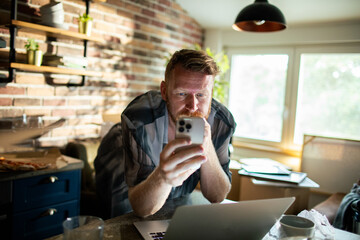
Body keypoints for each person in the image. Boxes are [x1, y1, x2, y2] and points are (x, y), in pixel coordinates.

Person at [121, 49, 236, 217]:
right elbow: (142, 209)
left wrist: (207, 145)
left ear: (211, 94)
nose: (193, 106)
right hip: (123, 162)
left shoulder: (222, 123)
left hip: (181, 198)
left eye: (201, 95)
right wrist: (162, 176)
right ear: (164, 91)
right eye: (182, 94)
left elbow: (217, 196)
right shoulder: (139, 122)